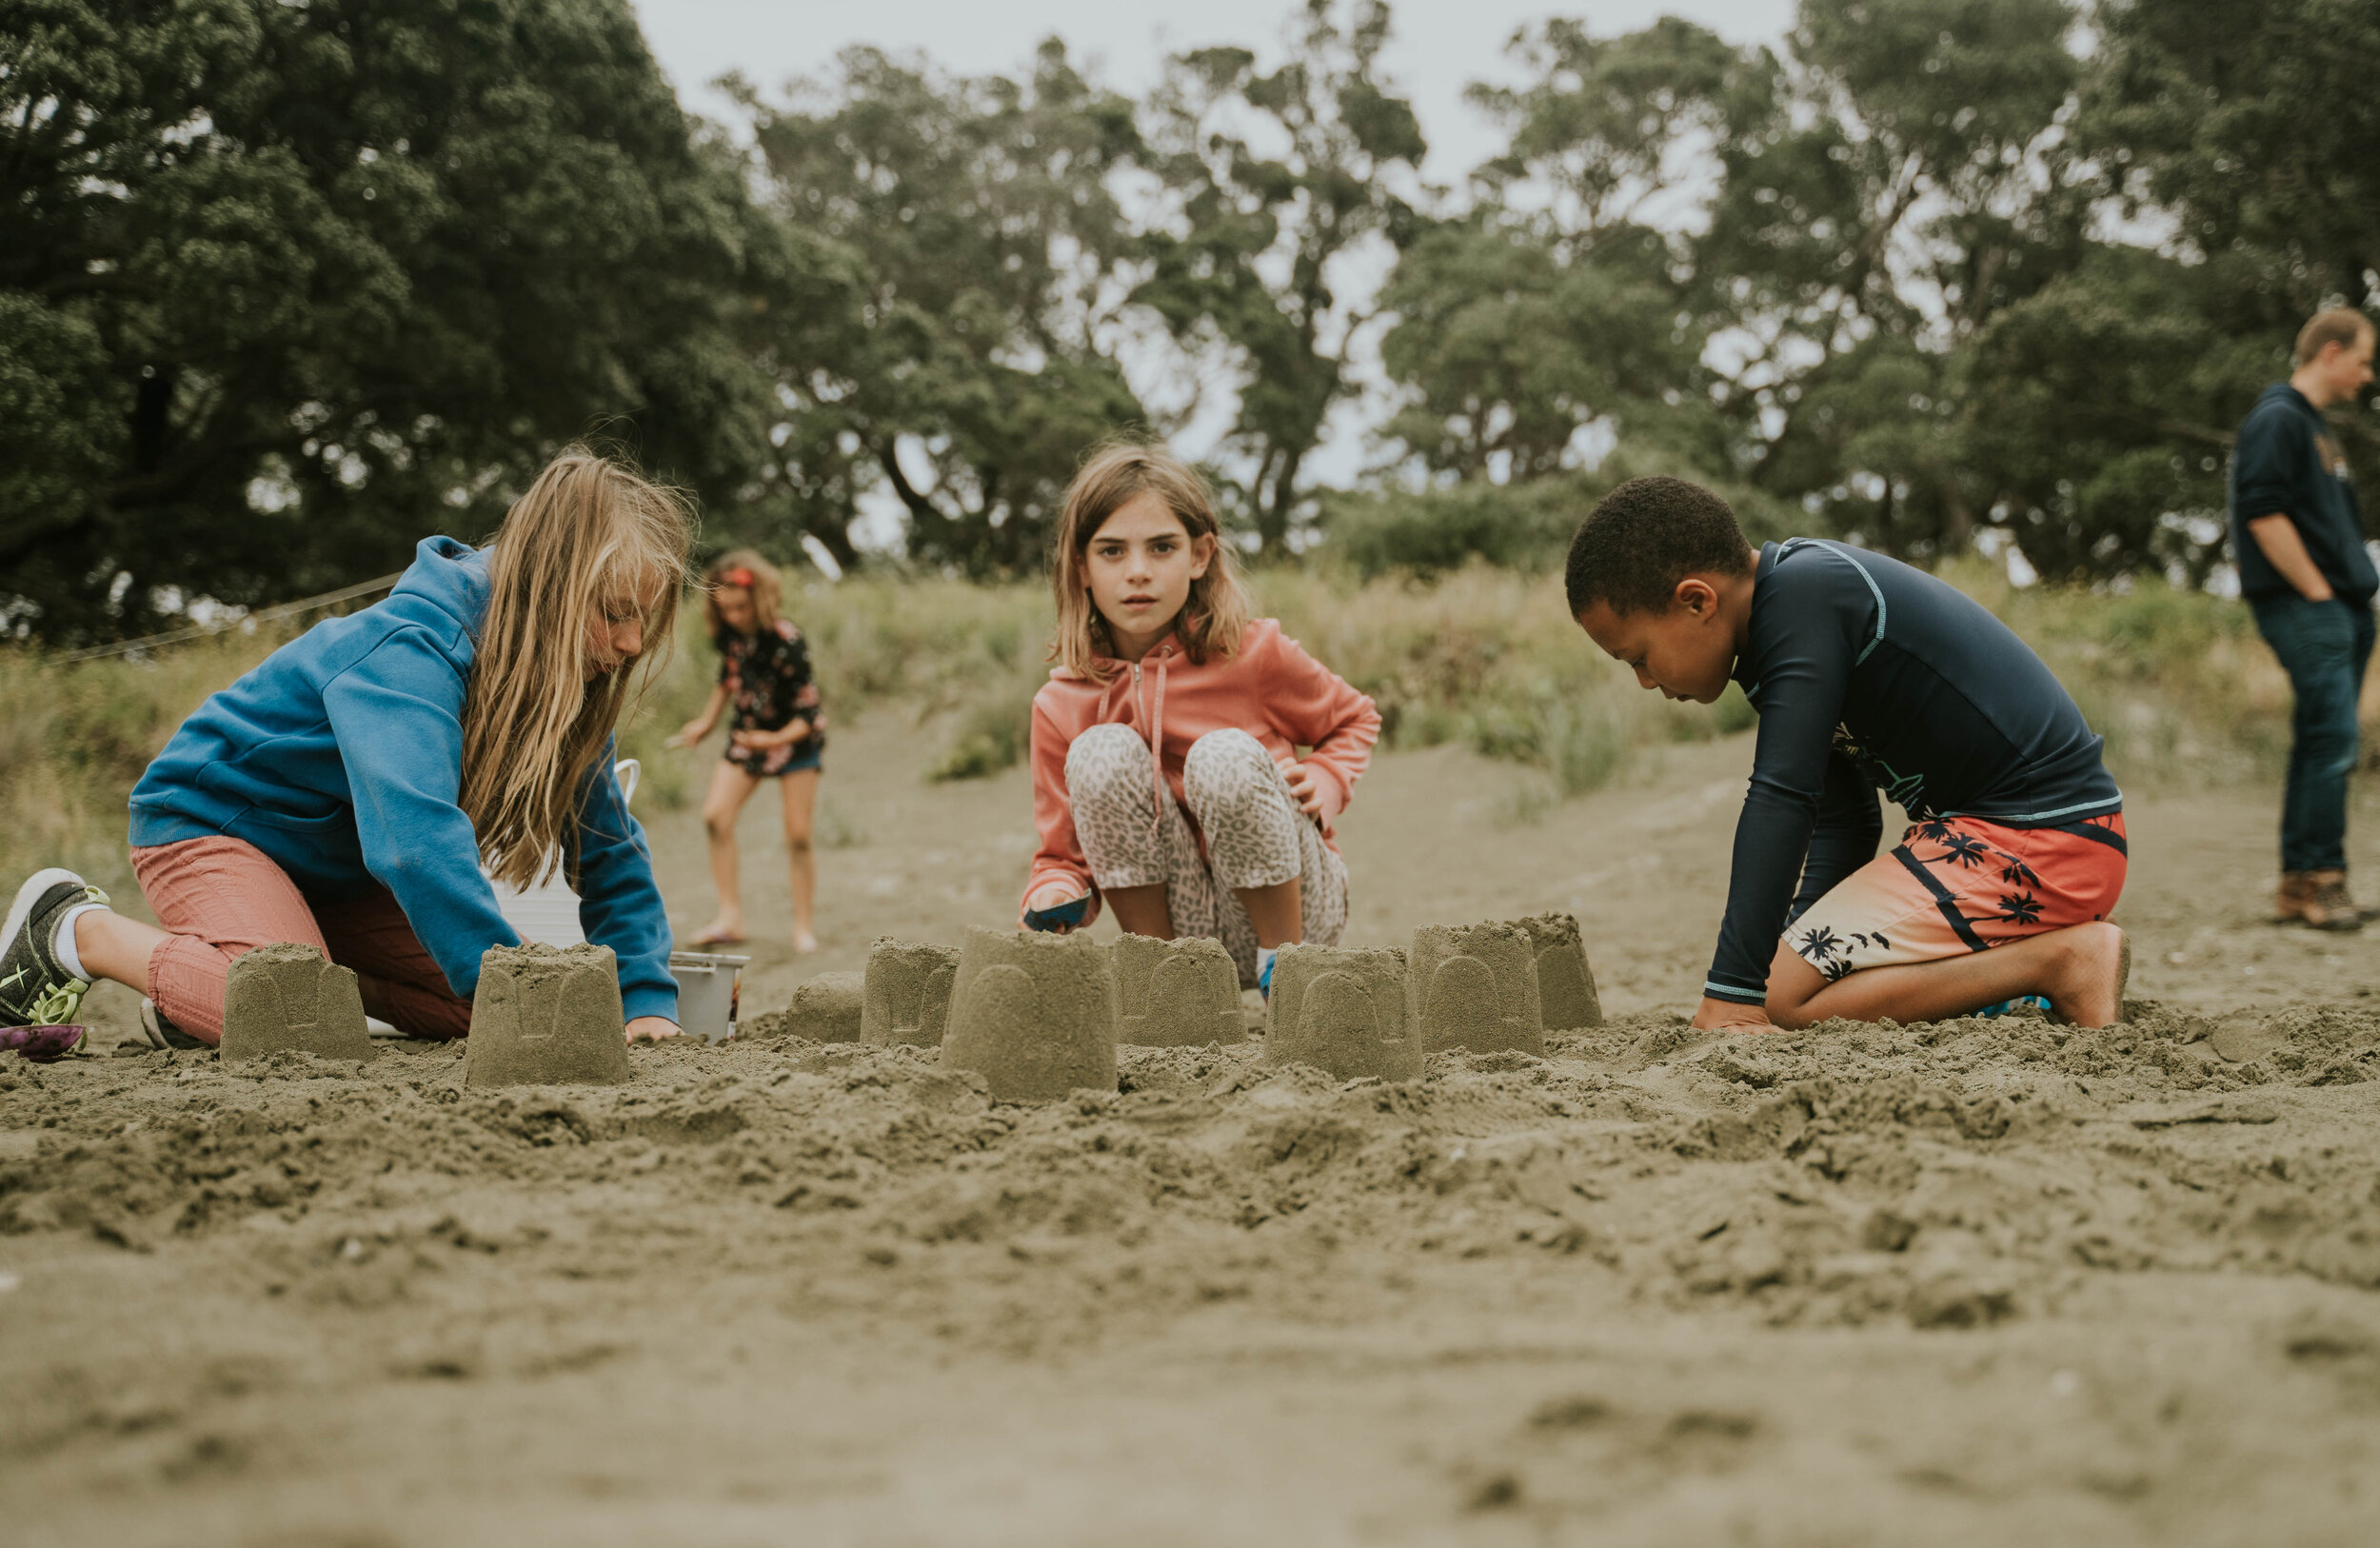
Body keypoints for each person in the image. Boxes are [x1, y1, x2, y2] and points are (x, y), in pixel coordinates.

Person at [0, 448, 689, 1046]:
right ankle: (77, 928)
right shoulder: (409, 650)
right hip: (211, 826)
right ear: (551, 590)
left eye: (642, 620)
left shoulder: (565, 685)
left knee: (481, 1000)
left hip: (338, 878)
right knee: (305, 1021)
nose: (631, 644)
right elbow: (414, 843)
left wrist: (645, 999)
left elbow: (609, 849)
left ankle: (211, 988)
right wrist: (508, 982)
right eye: (613, 612)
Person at [1567, 476, 2131, 1032]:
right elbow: (1843, 820)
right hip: (2038, 843)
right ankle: (2029, 976)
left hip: (2040, 840)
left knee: (1783, 1001)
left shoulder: (1802, 598)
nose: (1644, 681)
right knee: (1786, 985)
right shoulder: (1779, 623)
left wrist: (1736, 992)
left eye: (1638, 657)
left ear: (1696, 601)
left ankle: (2062, 962)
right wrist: (1792, 948)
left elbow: (1783, 796)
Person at [1018, 442, 1380, 996]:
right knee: (1100, 752)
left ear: (1200, 555)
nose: (1138, 572)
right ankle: (1165, 983)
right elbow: (1061, 854)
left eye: (1161, 547)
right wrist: (1054, 888)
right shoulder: (1062, 703)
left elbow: (1355, 719)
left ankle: (1287, 970)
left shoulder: (1254, 653)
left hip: (1298, 907)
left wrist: (1327, 782)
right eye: (1112, 552)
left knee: (1222, 755)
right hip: (1181, 922)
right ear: (1081, 567)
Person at [2231, 308, 2380, 931]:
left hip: (2337, 605)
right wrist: (2319, 594)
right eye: (2364, 360)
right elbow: (2263, 513)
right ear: (2331, 353)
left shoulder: (2314, 427)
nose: (2368, 376)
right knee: (2334, 739)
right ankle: (2323, 881)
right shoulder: (2278, 418)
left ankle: (2300, 883)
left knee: (2324, 736)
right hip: (2306, 605)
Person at [665, 550, 824, 952]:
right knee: (716, 818)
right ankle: (730, 918)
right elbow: (729, 679)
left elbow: (808, 713)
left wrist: (771, 741)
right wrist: (706, 722)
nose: (733, 616)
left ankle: (803, 928)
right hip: (748, 738)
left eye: (740, 607)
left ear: (760, 597)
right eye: (726, 610)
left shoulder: (787, 640)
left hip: (794, 742)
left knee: (799, 835)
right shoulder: (733, 636)